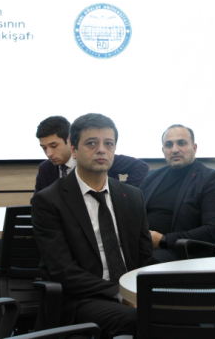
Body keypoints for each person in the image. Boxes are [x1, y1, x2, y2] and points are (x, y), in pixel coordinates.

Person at [31, 113, 157, 339]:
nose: (101, 150)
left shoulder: (132, 196)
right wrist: (121, 294)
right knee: (140, 319)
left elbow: (145, 258)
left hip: (132, 294)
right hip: (81, 299)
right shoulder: (49, 201)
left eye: (108, 144)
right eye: (91, 143)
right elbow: (63, 271)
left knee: (183, 312)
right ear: (74, 148)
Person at [140, 124, 215, 262]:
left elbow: (213, 231)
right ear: (163, 150)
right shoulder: (152, 177)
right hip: (145, 247)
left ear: (194, 148)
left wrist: (163, 240)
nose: (175, 150)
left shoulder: (210, 179)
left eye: (181, 143)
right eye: (169, 145)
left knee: (143, 261)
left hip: (184, 253)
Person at [34, 115, 149, 196]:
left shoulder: (99, 158)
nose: (48, 154)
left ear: (70, 142)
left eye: (54, 146)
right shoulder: (45, 168)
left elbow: (140, 167)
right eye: (44, 148)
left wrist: (122, 193)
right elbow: (37, 203)